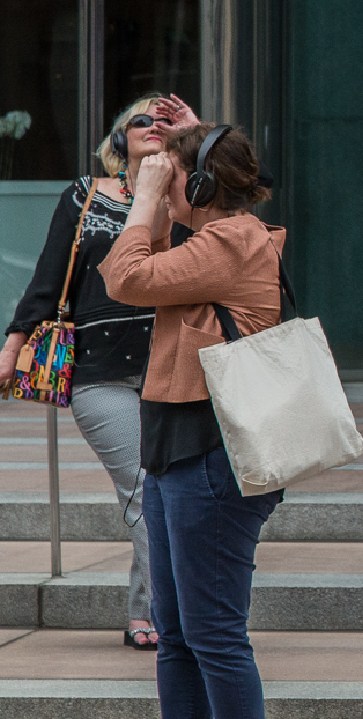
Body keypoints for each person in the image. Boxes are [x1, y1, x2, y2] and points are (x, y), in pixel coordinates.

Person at [99, 123, 282, 719]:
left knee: (215, 636)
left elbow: (124, 276)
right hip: (176, 453)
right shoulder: (210, 241)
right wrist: (176, 165)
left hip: (211, 455)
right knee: (175, 636)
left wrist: (149, 196)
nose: (152, 179)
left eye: (170, 173)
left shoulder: (230, 243)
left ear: (202, 185)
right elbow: (145, 255)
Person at [0, 95, 193, 651]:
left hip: (174, 366)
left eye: (165, 122)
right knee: (145, 490)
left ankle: (149, 612)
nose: (153, 126)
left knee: (165, 491)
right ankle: (170, 614)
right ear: (118, 142)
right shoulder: (85, 196)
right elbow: (47, 276)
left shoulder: (192, 196)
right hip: (99, 371)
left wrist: (196, 138)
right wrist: (13, 347)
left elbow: (253, 189)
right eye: (141, 121)